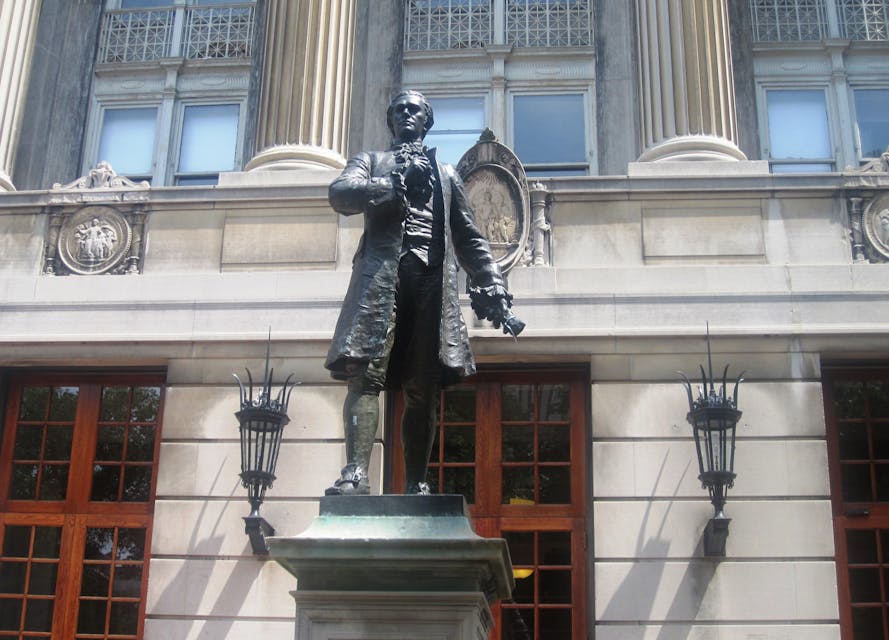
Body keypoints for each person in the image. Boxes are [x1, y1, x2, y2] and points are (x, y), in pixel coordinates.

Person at [324, 90, 523, 495]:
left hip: (431, 284)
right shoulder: (372, 161)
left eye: (413, 109)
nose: (405, 114)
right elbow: (341, 194)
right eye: (398, 109)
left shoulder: (447, 174)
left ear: (427, 119)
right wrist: (394, 185)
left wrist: (495, 283)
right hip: (382, 279)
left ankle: (416, 481)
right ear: (390, 120)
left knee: (423, 386)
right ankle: (355, 474)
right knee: (365, 373)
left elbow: (469, 236)